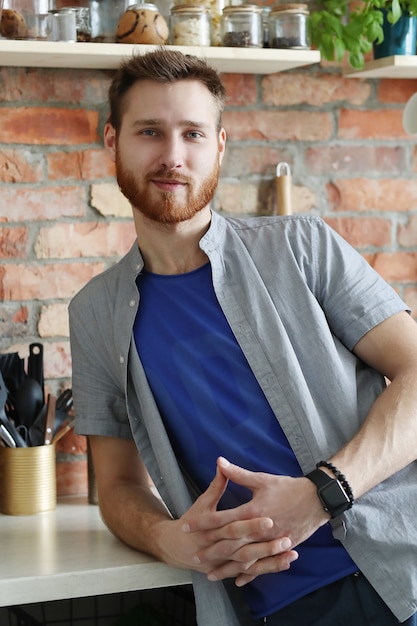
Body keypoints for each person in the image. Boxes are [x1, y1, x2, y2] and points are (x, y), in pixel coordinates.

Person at [69, 48, 417, 626]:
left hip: (401, 572)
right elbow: (117, 486)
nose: (172, 156)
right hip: (277, 609)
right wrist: (169, 540)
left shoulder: (303, 246)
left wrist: (323, 493)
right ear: (112, 142)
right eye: (150, 131)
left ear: (220, 147)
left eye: (193, 134)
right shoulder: (94, 314)